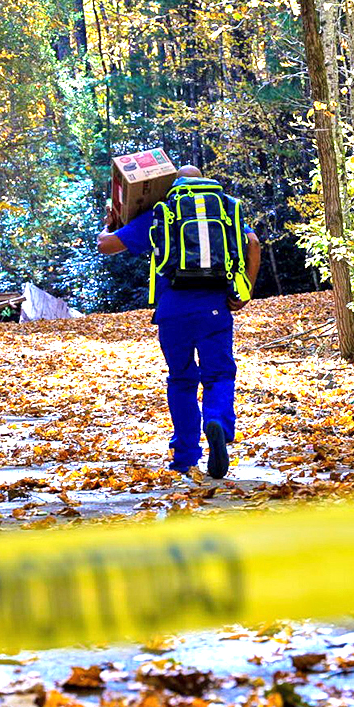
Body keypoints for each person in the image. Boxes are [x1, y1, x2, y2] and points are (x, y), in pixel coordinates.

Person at [97, 164, 262, 478]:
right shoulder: (226, 207)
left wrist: (110, 224)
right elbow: (253, 245)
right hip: (216, 305)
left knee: (182, 380)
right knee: (220, 374)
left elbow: (106, 246)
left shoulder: (162, 213)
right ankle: (217, 421)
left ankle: (185, 457)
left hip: (173, 311)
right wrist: (246, 291)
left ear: (175, 183)